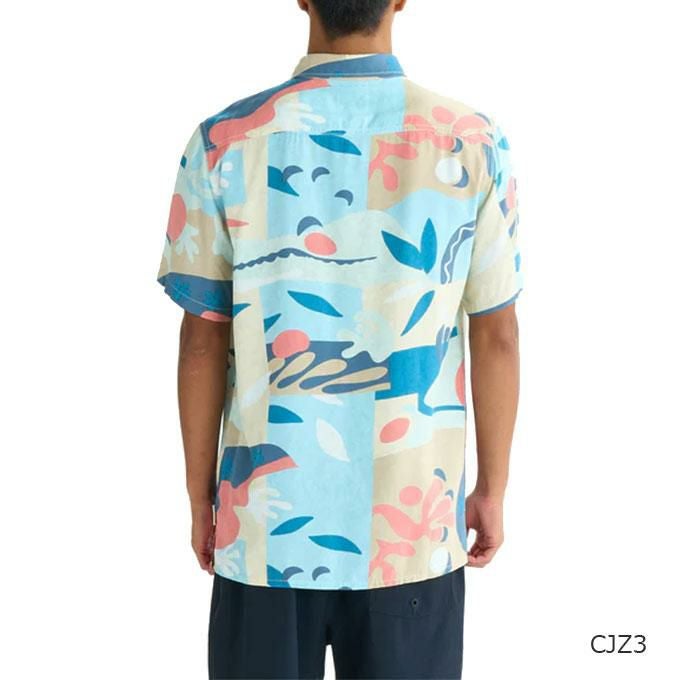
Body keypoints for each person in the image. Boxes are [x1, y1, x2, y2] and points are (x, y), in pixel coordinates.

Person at [155, 1, 522, 677]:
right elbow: (496, 331)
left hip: (265, 532)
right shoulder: (471, 140)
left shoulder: (223, 142)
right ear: (400, 0)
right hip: (411, 533)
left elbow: (201, 341)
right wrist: (492, 489)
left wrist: (200, 496)